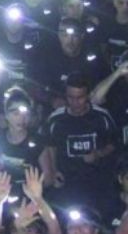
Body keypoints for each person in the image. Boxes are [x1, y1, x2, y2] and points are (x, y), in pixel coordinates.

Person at [45, 72, 118, 209]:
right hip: (67, 184)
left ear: (88, 96)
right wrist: (54, 171)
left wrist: (98, 154)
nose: (75, 102)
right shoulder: (56, 120)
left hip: (98, 184)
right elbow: (50, 146)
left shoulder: (101, 117)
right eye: (71, 97)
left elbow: (114, 144)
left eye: (80, 97)